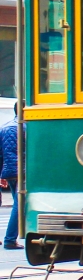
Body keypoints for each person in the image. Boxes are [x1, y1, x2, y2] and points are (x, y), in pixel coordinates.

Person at [0, 105, 20, 249]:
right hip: (23, 172)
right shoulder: (27, 128)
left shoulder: (5, 128)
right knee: (20, 205)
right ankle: (10, 239)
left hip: (9, 172)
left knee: (18, 203)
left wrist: (1, 174)